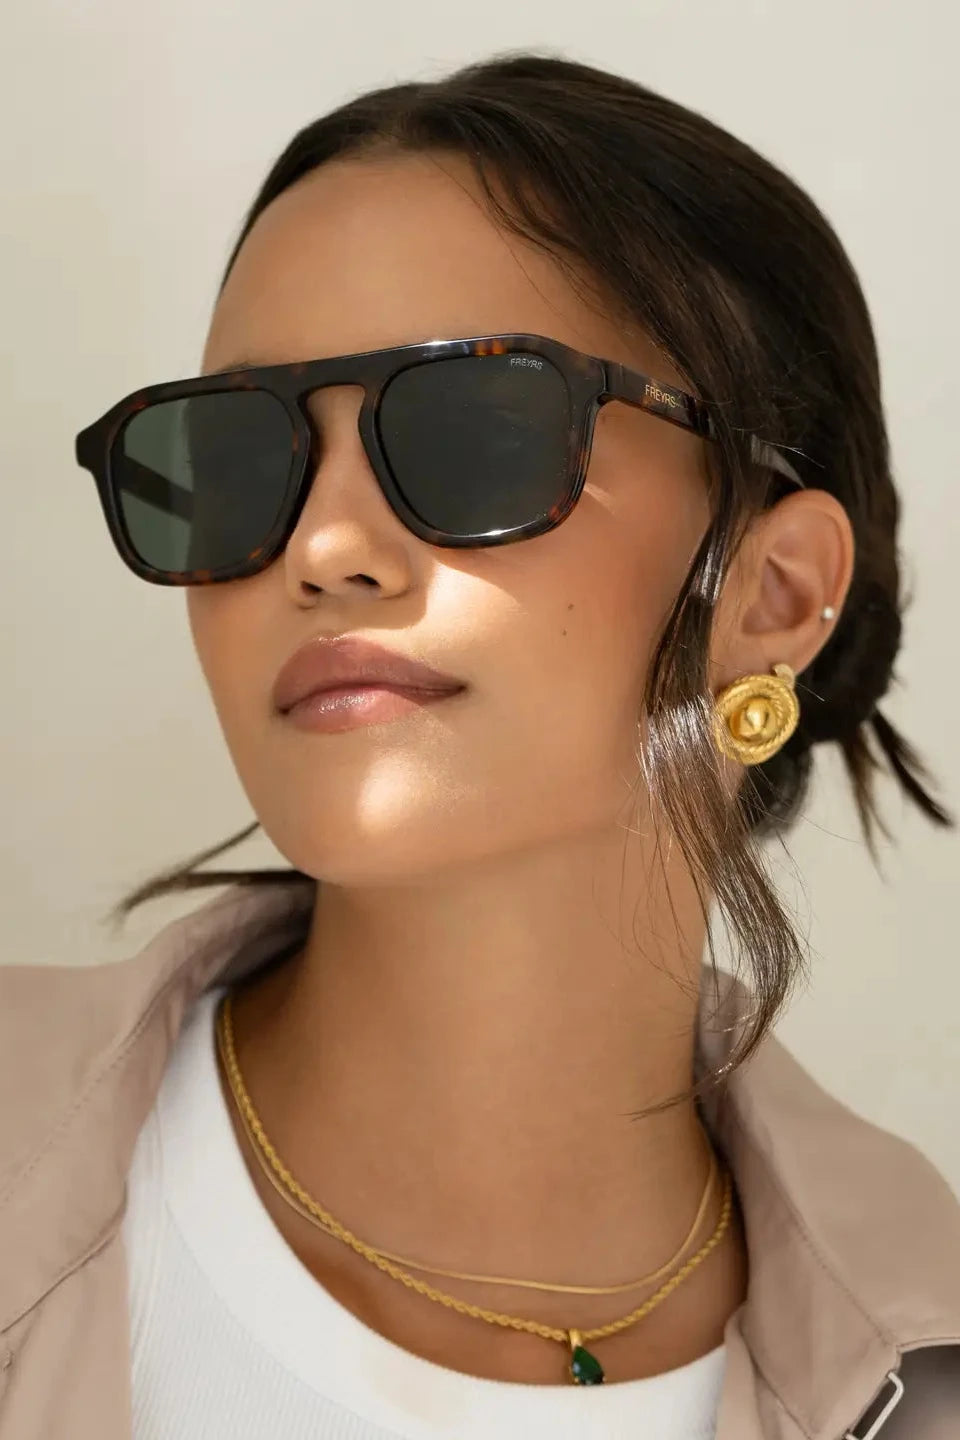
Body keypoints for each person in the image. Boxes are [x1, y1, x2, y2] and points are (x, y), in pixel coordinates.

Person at [2, 49, 958, 1440]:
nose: (323, 546)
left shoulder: (927, 1362)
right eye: (240, 457)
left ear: (774, 595)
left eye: (477, 430)